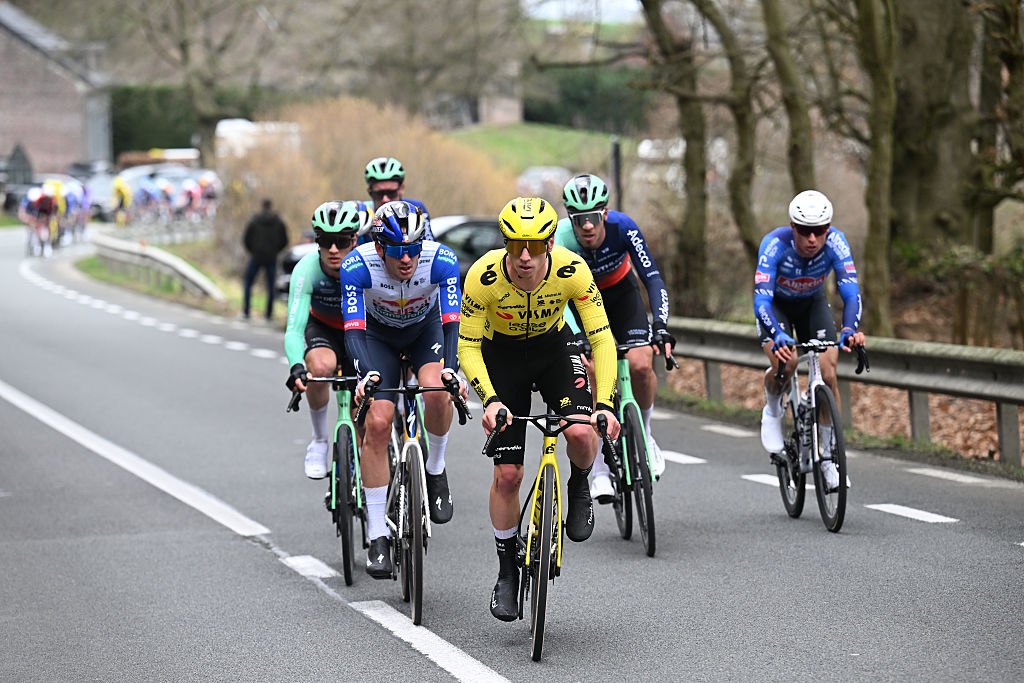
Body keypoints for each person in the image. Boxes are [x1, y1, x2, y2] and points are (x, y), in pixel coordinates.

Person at [457, 196, 621, 622]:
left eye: (535, 244)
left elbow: (602, 338)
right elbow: (468, 347)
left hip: (554, 348)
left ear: (550, 242)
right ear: (505, 243)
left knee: (583, 433)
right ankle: (506, 570)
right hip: (503, 357)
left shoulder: (573, 270)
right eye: (515, 246)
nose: (525, 256)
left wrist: (605, 403)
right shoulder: (483, 276)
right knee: (508, 475)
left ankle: (581, 482)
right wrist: (489, 400)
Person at [338, 200, 464, 579]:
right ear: (380, 248)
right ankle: (377, 534)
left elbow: (452, 324)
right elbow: (354, 332)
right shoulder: (358, 266)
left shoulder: (440, 259)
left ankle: (436, 467)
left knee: (437, 390)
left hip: (425, 332)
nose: (407, 259)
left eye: (413, 248)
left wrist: (452, 370)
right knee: (378, 421)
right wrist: (365, 376)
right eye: (397, 251)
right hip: (378, 338)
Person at [554, 173, 675, 502]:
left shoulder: (624, 228)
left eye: (594, 217)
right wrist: (576, 336)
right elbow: (559, 297)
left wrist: (661, 324)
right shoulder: (562, 238)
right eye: (580, 219)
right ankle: (601, 469)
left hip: (622, 297)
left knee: (640, 364)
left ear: (605, 213)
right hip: (582, 305)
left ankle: (646, 433)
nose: (588, 226)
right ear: (570, 218)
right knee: (591, 371)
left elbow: (652, 278)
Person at [755, 189, 866, 490]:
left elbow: (851, 292)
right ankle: (774, 405)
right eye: (805, 231)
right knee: (787, 361)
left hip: (812, 303)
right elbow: (761, 301)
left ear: (828, 230)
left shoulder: (837, 243)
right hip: (776, 305)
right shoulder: (774, 244)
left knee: (829, 372)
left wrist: (849, 329)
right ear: (793, 227)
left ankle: (829, 457)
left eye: (819, 231)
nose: (812, 239)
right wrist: (778, 334)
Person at [284, 200, 371, 478]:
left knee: (366, 411)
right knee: (320, 369)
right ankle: (320, 440)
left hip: (363, 330)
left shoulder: (369, 266)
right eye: (325, 241)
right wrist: (297, 366)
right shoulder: (307, 269)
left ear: (355, 239)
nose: (333, 249)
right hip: (322, 327)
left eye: (342, 241)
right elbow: (294, 329)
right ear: (316, 241)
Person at [362, 156, 433, 241]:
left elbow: (430, 243)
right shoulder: (362, 213)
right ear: (369, 192)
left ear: (401, 189)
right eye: (379, 194)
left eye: (391, 193)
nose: (385, 199)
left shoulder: (415, 208)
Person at [242, 198, 289, 321]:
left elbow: (246, 238)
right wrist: (275, 251)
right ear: (271, 206)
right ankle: (268, 314)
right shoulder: (278, 221)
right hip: (271, 258)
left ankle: (246, 312)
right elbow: (284, 240)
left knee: (248, 283)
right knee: (270, 286)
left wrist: (253, 250)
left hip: (256, 256)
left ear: (262, 206)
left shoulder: (254, 220)